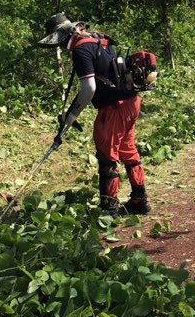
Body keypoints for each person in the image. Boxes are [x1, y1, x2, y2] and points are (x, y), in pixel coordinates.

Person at [39, 13, 150, 218]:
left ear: (61, 36)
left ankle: (109, 209)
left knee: (108, 157)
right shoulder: (97, 38)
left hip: (114, 108)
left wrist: (71, 116)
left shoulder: (81, 50)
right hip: (131, 102)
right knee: (127, 150)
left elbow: (88, 89)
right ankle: (139, 199)